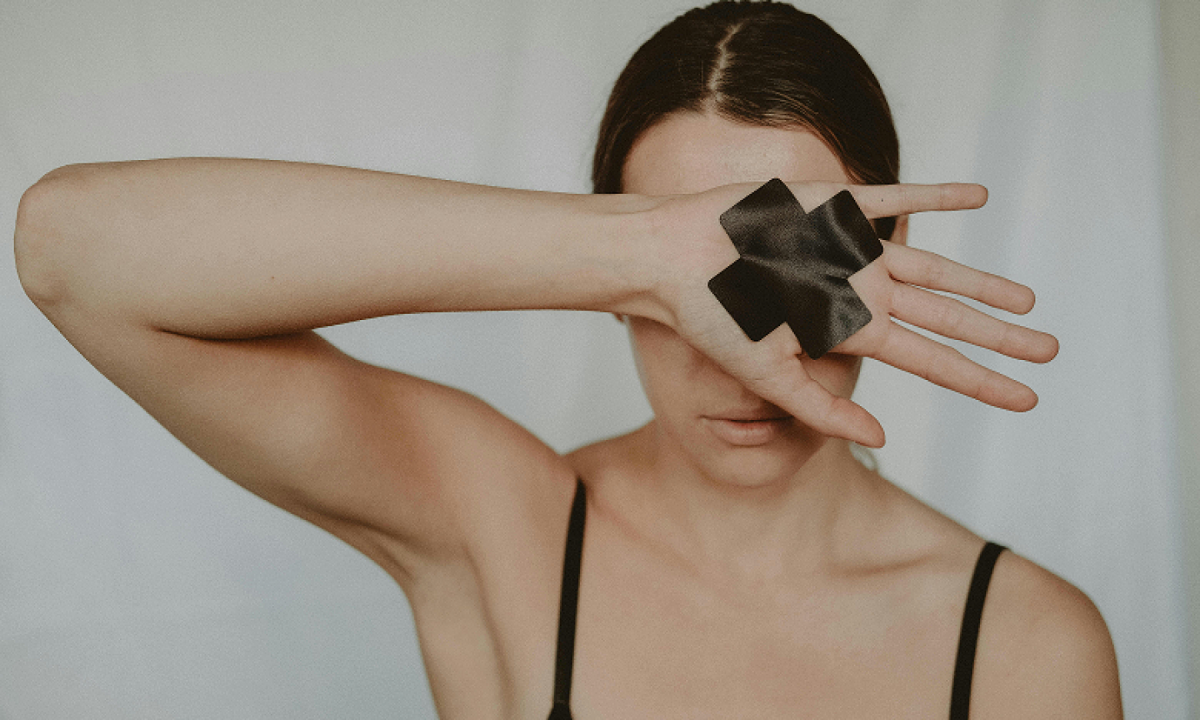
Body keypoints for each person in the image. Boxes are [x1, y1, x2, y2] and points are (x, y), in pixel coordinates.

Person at [13, 1, 1121, 717]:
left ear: (891, 251)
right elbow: (72, 248)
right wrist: (645, 252)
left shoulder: (1027, 644)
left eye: (796, 265)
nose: (743, 357)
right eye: (703, 283)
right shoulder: (504, 528)